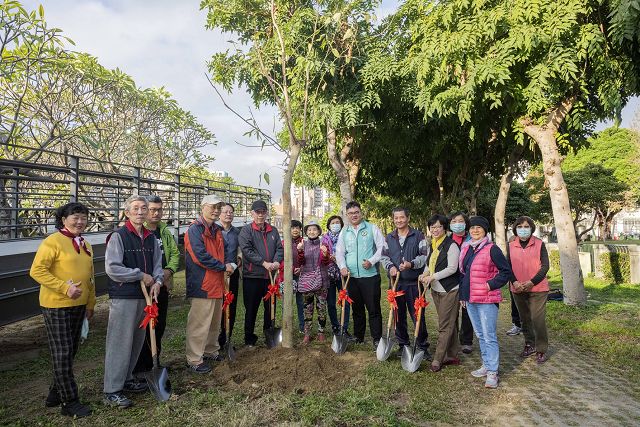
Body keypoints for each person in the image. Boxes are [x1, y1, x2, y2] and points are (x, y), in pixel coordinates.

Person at [30, 202, 96, 418]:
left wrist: (90, 303)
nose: (80, 221)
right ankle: (70, 401)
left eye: (83, 217)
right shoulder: (52, 241)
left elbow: (90, 277)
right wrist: (64, 287)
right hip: (56, 305)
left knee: (70, 351)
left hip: (79, 305)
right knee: (63, 352)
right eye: (75, 217)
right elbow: (37, 271)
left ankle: (55, 393)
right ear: (63, 219)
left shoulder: (85, 243)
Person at [103, 195, 163, 408]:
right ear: (127, 212)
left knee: (137, 340)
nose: (140, 212)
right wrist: (140, 275)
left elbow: (157, 265)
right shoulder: (118, 236)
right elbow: (112, 268)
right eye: (135, 208)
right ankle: (112, 390)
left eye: (143, 208)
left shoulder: (151, 238)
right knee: (120, 342)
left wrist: (157, 280)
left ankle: (128, 379)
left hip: (145, 296)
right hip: (124, 296)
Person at [458, 216, 511, 389]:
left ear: (485, 230)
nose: (475, 230)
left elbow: (505, 272)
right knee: (480, 335)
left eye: (478, 227)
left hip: (487, 300)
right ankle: (486, 365)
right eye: (472, 227)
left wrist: (490, 285)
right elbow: (464, 275)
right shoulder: (467, 249)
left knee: (489, 336)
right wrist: (463, 296)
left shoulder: (492, 249)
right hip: (471, 299)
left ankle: (493, 372)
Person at [184, 195, 236, 373]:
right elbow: (200, 256)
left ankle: (210, 350)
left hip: (218, 282)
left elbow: (226, 251)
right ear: (202, 207)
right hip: (202, 283)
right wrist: (223, 266)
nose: (216, 210)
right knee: (199, 323)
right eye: (212, 207)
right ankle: (194, 358)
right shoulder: (194, 230)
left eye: (218, 207)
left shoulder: (217, 230)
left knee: (214, 321)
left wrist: (230, 264)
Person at [133, 195, 180, 376]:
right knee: (143, 328)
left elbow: (175, 254)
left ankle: (154, 361)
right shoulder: (139, 231)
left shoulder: (164, 231)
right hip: (144, 288)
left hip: (162, 286)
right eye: (152, 209)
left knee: (159, 326)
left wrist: (167, 272)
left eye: (159, 209)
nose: (156, 213)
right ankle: (140, 367)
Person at [380, 207, 429, 358]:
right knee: (397, 315)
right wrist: (391, 267)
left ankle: (422, 346)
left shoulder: (418, 235)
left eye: (402, 217)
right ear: (393, 219)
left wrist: (411, 264)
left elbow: (424, 255)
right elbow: (384, 256)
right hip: (396, 284)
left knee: (417, 315)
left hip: (414, 283)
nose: (399, 220)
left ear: (408, 218)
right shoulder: (389, 238)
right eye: (396, 218)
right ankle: (403, 344)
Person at [336, 201, 385, 350]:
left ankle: (377, 338)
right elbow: (339, 251)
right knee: (357, 308)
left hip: (370, 276)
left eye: (356, 212)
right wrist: (343, 267)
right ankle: (359, 336)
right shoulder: (345, 231)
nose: (354, 215)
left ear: (361, 213)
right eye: (350, 213)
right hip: (352, 277)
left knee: (373, 308)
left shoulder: (372, 228)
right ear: (347, 215)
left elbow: (382, 248)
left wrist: (371, 261)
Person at [238, 200, 284, 347]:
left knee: (270, 308)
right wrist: (264, 263)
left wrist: (276, 261)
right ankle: (249, 339)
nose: (260, 215)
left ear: (266, 213)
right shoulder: (246, 230)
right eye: (257, 212)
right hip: (252, 277)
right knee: (251, 309)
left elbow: (279, 248)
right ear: (252, 213)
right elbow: (247, 250)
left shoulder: (273, 230)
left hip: (270, 278)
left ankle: (269, 335)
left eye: (263, 212)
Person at [419, 214, 461, 372]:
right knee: (451, 322)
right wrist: (425, 274)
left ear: (445, 228)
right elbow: (430, 263)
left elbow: (452, 268)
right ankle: (452, 354)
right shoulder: (433, 244)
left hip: (449, 290)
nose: (435, 229)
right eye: (432, 227)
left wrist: (432, 277)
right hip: (436, 290)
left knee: (444, 325)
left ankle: (438, 358)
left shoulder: (452, 245)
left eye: (438, 226)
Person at [508, 216, 550, 364]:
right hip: (518, 288)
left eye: (526, 226)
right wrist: (515, 282)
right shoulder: (511, 245)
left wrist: (532, 282)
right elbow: (507, 267)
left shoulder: (539, 244)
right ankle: (529, 344)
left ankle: (541, 349)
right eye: (519, 226)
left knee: (537, 319)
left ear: (531, 228)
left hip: (538, 288)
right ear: (515, 229)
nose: (523, 229)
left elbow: (545, 266)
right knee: (525, 319)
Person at [297, 221, 331, 343]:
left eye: (314, 229)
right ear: (306, 232)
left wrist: (326, 253)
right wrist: (300, 251)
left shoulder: (324, 243)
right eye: (309, 230)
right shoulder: (302, 244)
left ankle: (321, 332)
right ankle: (307, 333)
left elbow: (326, 262)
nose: (312, 232)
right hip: (307, 281)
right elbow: (300, 262)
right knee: (308, 308)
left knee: (321, 307)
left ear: (319, 232)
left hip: (322, 280)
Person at [322, 215, 352, 338]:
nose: (335, 224)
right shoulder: (324, 238)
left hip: (343, 273)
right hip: (328, 274)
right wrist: (327, 256)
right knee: (331, 302)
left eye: (337, 222)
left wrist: (340, 259)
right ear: (329, 225)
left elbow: (350, 252)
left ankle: (344, 327)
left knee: (345, 301)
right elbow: (320, 256)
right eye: (333, 223)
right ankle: (335, 326)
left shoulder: (346, 236)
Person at [449, 211, 474, 354]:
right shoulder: (447, 240)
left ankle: (466, 341)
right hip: (451, 281)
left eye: (460, 221)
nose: (457, 224)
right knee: (452, 312)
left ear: (466, 223)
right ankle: (452, 340)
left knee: (467, 311)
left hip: (468, 281)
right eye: (453, 221)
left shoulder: (472, 239)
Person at [217, 203, 242, 349]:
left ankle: (227, 338)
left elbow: (240, 250)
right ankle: (214, 340)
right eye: (225, 212)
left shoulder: (236, 232)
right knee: (217, 307)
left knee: (231, 306)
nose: (228, 214)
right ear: (219, 214)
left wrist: (238, 260)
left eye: (231, 212)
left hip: (232, 272)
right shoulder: (214, 230)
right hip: (217, 273)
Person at [277, 219, 305, 333]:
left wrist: (301, 269)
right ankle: (286, 327)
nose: (295, 230)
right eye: (293, 228)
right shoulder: (283, 243)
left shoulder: (304, 242)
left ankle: (302, 327)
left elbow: (308, 259)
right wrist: (292, 269)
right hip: (286, 276)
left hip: (302, 276)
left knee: (301, 302)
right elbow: (280, 261)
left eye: (297, 228)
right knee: (286, 302)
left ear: (300, 229)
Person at [506, 232, 523, 337]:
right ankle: (516, 325)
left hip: (527, 282)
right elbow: (507, 267)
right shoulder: (510, 254)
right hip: (513, 282)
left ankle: (525, 326)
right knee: (514, 305)